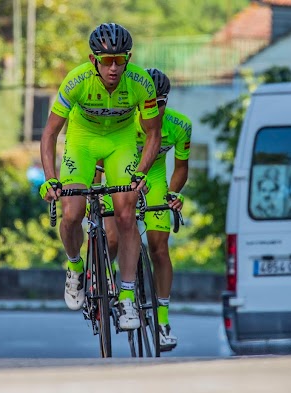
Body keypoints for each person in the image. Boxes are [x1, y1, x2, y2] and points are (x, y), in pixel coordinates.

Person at [39, 23, 162, 331]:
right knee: (72, 212)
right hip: (82, 141)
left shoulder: (141, 83)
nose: (113, 68)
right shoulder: (76, 80)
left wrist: (140, 174)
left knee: (125, 214)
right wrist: (51, 179)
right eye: (106, 60)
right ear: (92, 60)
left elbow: (153, 135)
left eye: (119, 60)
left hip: (120, 142)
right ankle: (75, 267)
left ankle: (127, 297)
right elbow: (50, 134)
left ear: (128, 59)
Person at [98, 68, 190, 351]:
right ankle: (108, 284)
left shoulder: (180, 126)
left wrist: (173, 194)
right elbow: (101, 159)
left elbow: (181, 168)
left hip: (154, 177)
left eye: (159, 104)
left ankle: (162, 322)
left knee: (159, 248)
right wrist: (99, 192)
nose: (152, 110)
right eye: (148, 103)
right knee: (113, 237)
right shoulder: (122, 120)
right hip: (121, 173)